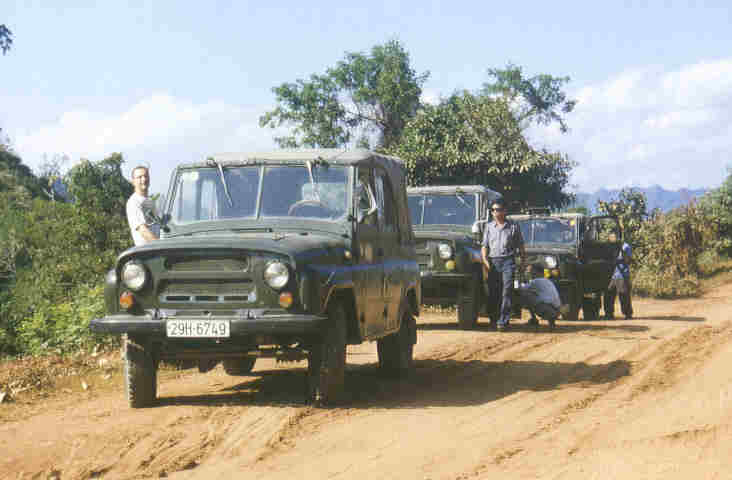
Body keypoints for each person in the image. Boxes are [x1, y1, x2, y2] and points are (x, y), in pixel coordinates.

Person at [481, 198, 526, 331]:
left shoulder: (513, 226)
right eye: (493, 210)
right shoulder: (489, 227)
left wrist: (523, 261)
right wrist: (484, 259)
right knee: (493, 292)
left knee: (506, 291)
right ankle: (493, 319)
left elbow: (521, 245)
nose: (496, 212)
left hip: (508, 261)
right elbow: (484, 245)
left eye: (499, 210)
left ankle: (503, 321)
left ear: (505, 211)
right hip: (493, 262)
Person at [517, 264, 561, 328]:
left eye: (529, 271)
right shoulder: (547, 281)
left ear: (536, 272)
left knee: (525, 294)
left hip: (547, 311)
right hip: (557, 311)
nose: (528, 273)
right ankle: (551, 321)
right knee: (537, 296)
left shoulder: (535, 282)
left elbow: (521, 289)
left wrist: (519, 281)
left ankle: (534, 319)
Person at [126, 166, 160, 246]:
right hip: (146, 253)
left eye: (146, 176)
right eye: (139, 177)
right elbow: (143, 230)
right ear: (133, 182)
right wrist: (161, 247)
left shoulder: (151, 202)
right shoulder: (133, 203)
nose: (144, 179)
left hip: (156, 250)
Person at [603, 241, 633, 319]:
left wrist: (621, 252)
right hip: (613, 275)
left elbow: (628, 260)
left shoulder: (626, 246)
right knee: (608, 294)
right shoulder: (610, 246)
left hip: (622, 274)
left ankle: (627, 313)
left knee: (623, 295)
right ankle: (609, 313)